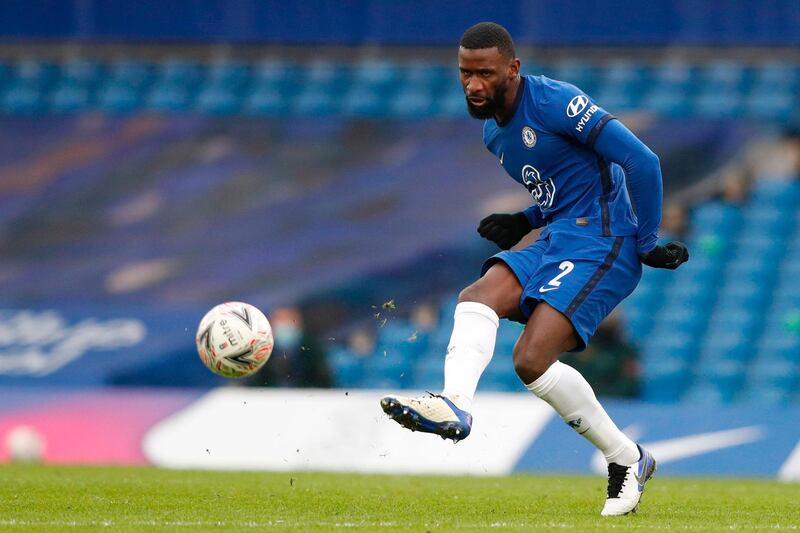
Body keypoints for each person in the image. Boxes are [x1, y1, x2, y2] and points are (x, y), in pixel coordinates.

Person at [380, 22, 688, 516]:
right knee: (476, 298)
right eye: (465, 73)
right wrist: (523, 218)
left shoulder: (556, 103)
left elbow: (642, 161)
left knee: (530, 359)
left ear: (513, 69)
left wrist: (647, 241)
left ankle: (625, 458)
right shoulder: (492, 134)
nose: (473, 84)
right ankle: (455, 404)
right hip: (558, 235)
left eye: (485, 72)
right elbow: (564, 186)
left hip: (604, 239)